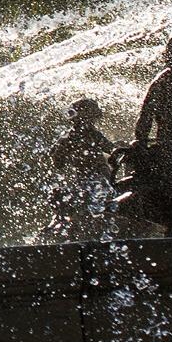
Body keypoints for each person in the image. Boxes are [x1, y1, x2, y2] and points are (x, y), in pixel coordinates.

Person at [46, 97, 120, 238]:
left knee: (93, 195)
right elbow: (112, 150)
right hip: (89, 176)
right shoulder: (74, 136)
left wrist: (58, 153)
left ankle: (89, 224)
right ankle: (75, 224)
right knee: (79, 196)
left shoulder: (81, 135)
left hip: (97, 174)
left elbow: (111, 149)